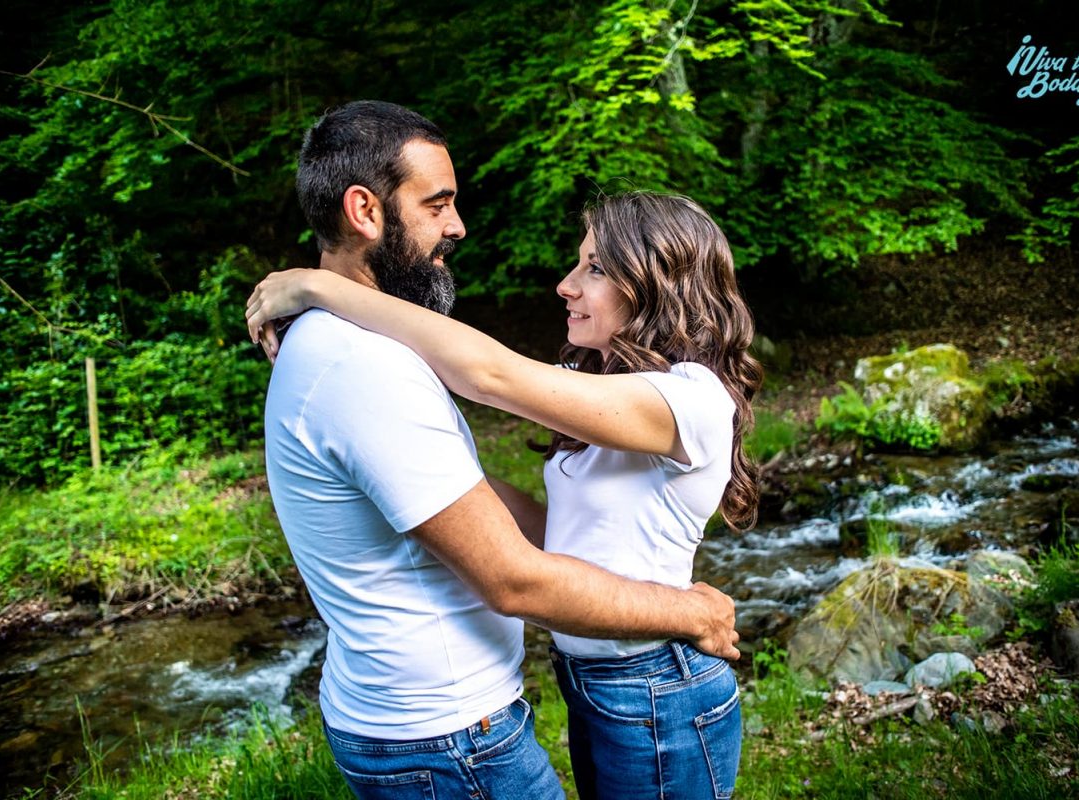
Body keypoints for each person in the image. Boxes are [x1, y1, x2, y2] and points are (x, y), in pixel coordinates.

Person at [252, 100, 741, 800]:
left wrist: (315, 284)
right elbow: (539, 531)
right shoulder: (358, 360)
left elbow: (490, 374)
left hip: (655, 680)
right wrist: (687, 610)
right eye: (437, 204)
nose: (565, 284)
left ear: (653, 283)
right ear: (365, 211)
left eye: (594, 269)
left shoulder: (688, 399)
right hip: (572, 687)